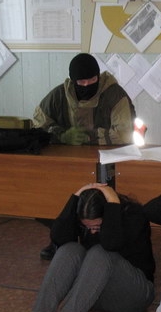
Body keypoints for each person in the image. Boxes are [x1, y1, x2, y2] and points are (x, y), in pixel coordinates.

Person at [13, 182, 155, 312]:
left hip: (135, 294)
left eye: (97, 226)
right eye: (88, 227)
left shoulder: (134, 216)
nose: (93, 232)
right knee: (69, 249)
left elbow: (111, 244)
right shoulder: (86, 219)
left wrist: (113, 204)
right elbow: (59, 238)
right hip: (92, 293)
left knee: (100, 252)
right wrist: (74, 198)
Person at [33, 52, 136, 260]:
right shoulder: (59, 95)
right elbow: (37, 125)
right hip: (68, 163)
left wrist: (88, 136)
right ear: (73, 81)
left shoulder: (115, 94)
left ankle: (103, 238)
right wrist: (61, 135)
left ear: (98, 76)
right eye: (81, 81)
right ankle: (60, 238)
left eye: (92, 80)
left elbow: (125, 133)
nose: (87, 85)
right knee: (51, 194)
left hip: (106, 162)